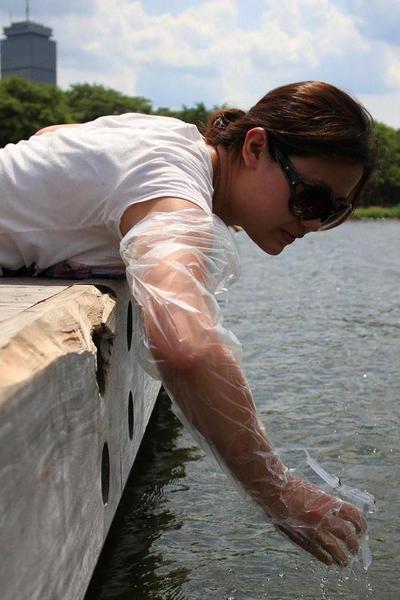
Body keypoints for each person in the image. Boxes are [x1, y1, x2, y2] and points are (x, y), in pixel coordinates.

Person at [0, 80, 376, 567]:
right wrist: (279, 492)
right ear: (256, 146)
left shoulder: (169, 138)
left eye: (335, 214)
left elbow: (53, 133)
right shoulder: (177, 194)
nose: (312, 225)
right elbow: (186, 347)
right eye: (312, 200)